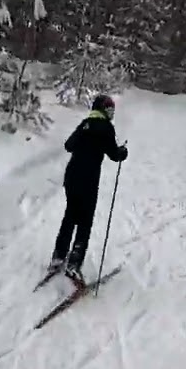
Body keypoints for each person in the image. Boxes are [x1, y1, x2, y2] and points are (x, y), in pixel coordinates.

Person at [50, 94, 127, 285]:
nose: (111, 113)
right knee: (85, 220)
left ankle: (59, 255)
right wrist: (122, 152)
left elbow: (69, 145)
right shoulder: (106, 128)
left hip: (72, 176)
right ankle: (74, 264)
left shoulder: (85, 123)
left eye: (112, 109)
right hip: (88, 179)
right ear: (102, 109)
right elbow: (114, 154)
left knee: (70, 215)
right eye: (109, 109)